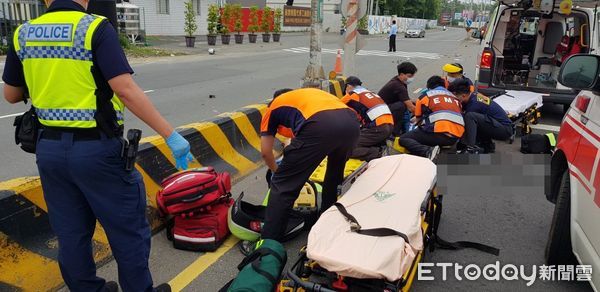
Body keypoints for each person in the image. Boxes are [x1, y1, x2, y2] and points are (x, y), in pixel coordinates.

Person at [2, 0, 193, 291]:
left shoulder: (23, 33)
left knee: (71, 233)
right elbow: (125, 89)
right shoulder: (94, 28)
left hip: (49, 151)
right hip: (97, 151)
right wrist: (170, 135)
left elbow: (11, 95)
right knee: (127, 232)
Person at [259, 88, 360, 243]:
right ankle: (326, 223)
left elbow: (266, 152)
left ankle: (268, 242)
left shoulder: (272, 108)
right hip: (351, 123)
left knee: (283, 186)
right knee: (334, 175)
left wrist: (277, 172)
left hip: (320, 124)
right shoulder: (306, 98)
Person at [398, 76, 464, 159]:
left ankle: (428, 151)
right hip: (456, 137)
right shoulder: (455, 98)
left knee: (404, 139)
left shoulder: (425, 96)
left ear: (429, 87)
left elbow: (418, 121)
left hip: (441, 134)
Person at [449, 79, 513, 154]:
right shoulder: (473, 96)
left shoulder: (474, 104)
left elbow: (466, 124)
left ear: (463, 95)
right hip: (496, 125)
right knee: (471, 118)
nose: (454, 99)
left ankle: (470, 148)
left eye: (455, 96)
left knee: (470, 117)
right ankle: (486, 145)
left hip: (504, 129)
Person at [341, 76, 394, 161]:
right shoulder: (371, 93)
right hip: (389, 126)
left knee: (345, 148)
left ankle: (378, 153)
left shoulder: (352, 94)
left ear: (348, 86)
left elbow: (336, 108)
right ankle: (379, 147)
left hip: (377, 128)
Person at [378, 62, 417, 136]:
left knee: (413, 103)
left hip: (388, 106)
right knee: (402, 106)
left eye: (412, 76)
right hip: (383, 111)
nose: (411, 78)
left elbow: (407, 99)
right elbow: (411, 107)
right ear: (402, 74)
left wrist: (420, 102)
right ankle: (395, 132)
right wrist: (421, 117)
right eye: (409, 76)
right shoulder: (398, 86)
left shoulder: (398, 80)